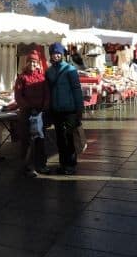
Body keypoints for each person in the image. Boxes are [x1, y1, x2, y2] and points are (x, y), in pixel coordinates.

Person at [46, 42, 84, 175]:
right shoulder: (49, 71)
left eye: (58, 53)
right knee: (60, 138)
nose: (56, 55)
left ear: (62, 55)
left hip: (70, 109)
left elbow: (76, 89)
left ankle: (71, 165)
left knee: (69, 137)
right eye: (53, 53)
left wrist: (79, 109)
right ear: (50, 55)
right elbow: (49, 91)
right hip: (56, 109)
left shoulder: (70, 69)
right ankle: (63, 164)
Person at [14, 49, 50, 177]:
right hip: (27, 114)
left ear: (38, 63)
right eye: (30, 62)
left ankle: (41, 165)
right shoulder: (21, 78)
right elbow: (18, 96)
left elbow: (47, 94)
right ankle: (27, 166)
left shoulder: (42, 77)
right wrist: (28, 107)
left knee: (40, 139)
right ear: (26, 63)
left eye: (34, 62)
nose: (32, 65)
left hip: (40, 113)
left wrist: (43, 107)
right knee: (27, 140)